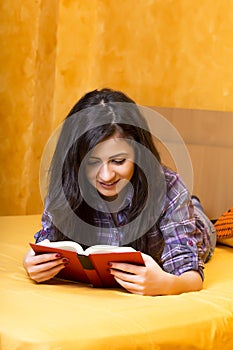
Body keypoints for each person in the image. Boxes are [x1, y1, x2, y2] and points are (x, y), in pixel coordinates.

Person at [23, 88, 216, 296]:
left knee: (199, 224)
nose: (106, 176)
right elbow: (45, 241)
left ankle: (195, 208)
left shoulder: (170, 190)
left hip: (197, 228)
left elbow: (191, 276)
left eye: (118, 161)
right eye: (92, 162)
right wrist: (31, 262)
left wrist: (167, 285)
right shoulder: (68, 181)